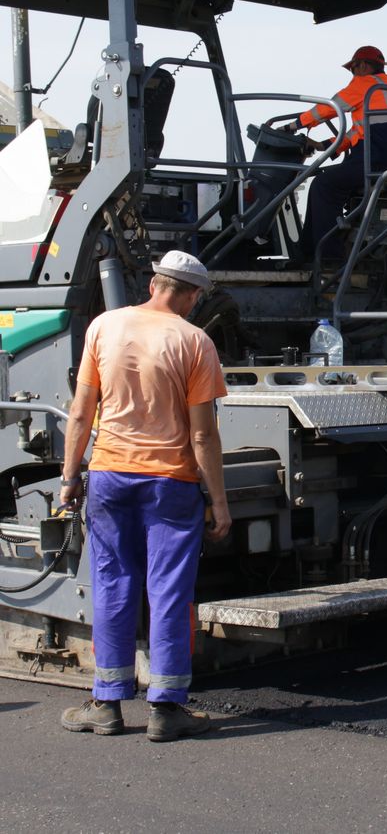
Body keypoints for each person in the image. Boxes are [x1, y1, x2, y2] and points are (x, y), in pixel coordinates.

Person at [58, 250, 231, 741]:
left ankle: (106, 705)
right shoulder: (195, 342)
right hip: (170, 483)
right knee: (168, 591)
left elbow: (80, 413)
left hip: (110, 476)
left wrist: (71, 477)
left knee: (112, 585)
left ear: (155, 283)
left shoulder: (104, 328)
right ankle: (166, 709)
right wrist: (218, 501)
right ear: (192, 295)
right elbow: (203, 437)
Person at [285, 45, 387, 256]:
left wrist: (294, 125)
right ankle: (310, 252)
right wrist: (324, 145)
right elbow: (358, 132)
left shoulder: (366, 84)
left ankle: (326, 256)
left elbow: (331, 107)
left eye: (352, 70)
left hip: (374, 159)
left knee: (323, 185)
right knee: (328, 180)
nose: (352, 75)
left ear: (361, 66)